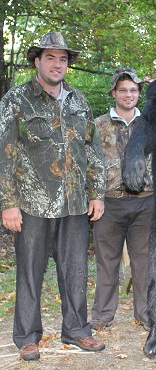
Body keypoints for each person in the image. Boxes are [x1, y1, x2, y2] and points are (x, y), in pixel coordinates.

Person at [0, 32, 106, 361]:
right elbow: (5, 153)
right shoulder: (16, 100)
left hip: (74, 203)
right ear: (37, 61)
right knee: (30, 271)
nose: (57, 64)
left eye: (62, 59)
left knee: (75, 269)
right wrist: (8, 203)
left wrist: (97, 192)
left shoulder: (78, 100)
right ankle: (28, 336)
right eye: (50, 58)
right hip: (32, 203)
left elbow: (93, 149)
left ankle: (76, 330)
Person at [91, 68, 154, 331]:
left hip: (146, 202)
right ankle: (103, 315)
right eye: (123, 90)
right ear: (114, 93)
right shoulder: (98, 125)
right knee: (107, 262)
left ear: (139, 93)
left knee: (145, 263)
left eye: (133, 90)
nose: (128, 94)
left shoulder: (152, 123)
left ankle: (146, 313)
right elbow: (90, 164)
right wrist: (94, 196)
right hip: (110, 203)